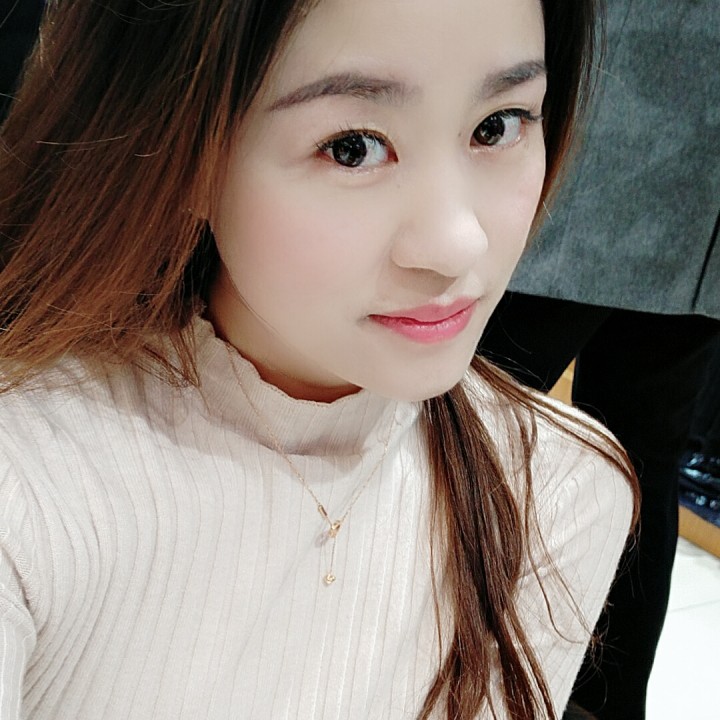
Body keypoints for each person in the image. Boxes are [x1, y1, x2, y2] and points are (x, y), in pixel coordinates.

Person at [0, 1, 636, 719]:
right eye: (352, 148)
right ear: (178, 144)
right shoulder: (28, 487)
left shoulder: (553, 488)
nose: (457, 243)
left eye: (497, 126)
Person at [479, 2, 720, 718]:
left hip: (599, 140)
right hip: (694, 201)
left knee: (459, 432)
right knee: (640, 457)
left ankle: (427, 677)